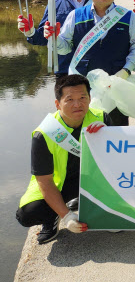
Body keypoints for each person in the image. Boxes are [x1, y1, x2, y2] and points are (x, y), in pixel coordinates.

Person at [16, 74, 108, 244]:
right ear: (58, 104)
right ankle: (52, 218)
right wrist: (66, 216)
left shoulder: (102, 118)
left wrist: (110, 134)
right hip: (58, 184)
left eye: (82, 97)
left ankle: (102, 209)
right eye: (69, 99)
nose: (77, 104)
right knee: (27, 214)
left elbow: (120, 159)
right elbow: (44, 181)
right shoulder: (44, 134)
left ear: (90, 98)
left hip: (90, 180)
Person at [44, 0, 135, 126]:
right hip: (83, 89)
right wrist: (53, 39)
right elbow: (64, 48)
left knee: (116, 132)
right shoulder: (76, 15)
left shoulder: (128, 16)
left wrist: (126, 71)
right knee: (84, 132)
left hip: (116, 87)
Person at [17, 0, 92, 77]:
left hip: (96, 71)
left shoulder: (99, 3)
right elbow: (43, 38)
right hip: (65, 70)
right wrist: (30, 31)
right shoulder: (55, 4)